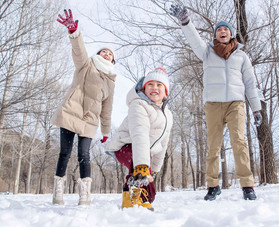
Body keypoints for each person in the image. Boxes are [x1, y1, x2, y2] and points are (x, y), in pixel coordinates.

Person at [169, 3, 262, 200]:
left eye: (225, 29)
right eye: (219, 29)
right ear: (215, 35)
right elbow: (194, 40)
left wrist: (256, 109)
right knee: (213, 145)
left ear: (232, 34)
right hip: (213, 104)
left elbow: (250, 83)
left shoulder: (241, 56)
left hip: (235, 103)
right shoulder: (207, 52)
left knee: (240, 142)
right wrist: (186, 22)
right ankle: (213, 186)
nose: (222, 31)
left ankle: (247, 186)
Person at [51, 9, 117, 205]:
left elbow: (107, 109)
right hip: (71, 112)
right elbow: (79, 51)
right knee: (64, 152)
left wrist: (105, 130)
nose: (106, 53)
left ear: (113, 61)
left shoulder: (111, 82)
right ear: (98, 54)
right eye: (104, 51)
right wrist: (74, 33)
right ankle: (58, 192)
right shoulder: (86, 65)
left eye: (110, 53)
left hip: (89, 120)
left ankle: (85, 194)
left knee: (84, 154)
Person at [106, 67, 173, 211]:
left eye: (159, 85)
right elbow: (140, 134)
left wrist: (153, 169)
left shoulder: (168, 115)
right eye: (150, 84)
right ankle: (137, 197)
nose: (154, 87)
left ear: (166, 91)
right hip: (125, 146)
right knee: (138, 161)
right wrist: (143, 164)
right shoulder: (138, 104)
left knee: (145, 174)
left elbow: (163, 144)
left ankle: (128, 195)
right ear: (143, 89)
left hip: (145, 152)